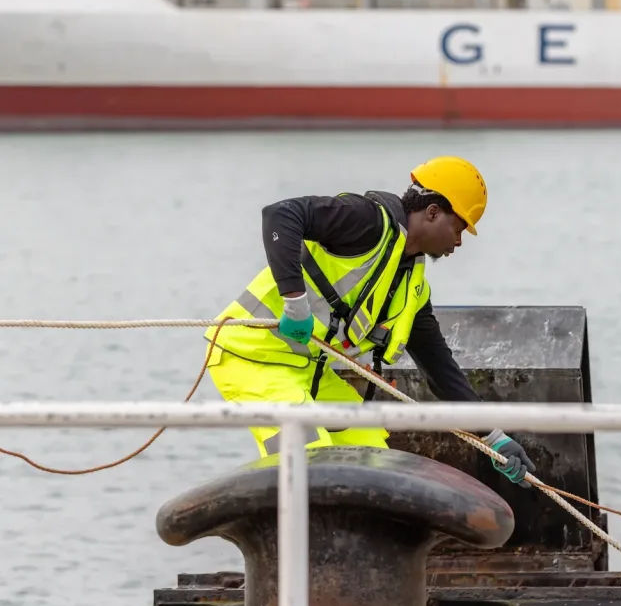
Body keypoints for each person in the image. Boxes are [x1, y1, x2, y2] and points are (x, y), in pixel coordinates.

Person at [202, 155, 537, 487]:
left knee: (376, 459)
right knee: (308, 464)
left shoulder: (412, 289)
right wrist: (294, 301)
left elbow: (442, 372)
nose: (459, 242)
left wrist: (494, 439)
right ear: (433, 212)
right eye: (459, 227)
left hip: (305, 372)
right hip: (251, 356)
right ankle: (296, 530)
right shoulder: (365, 221)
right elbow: (280, 216)